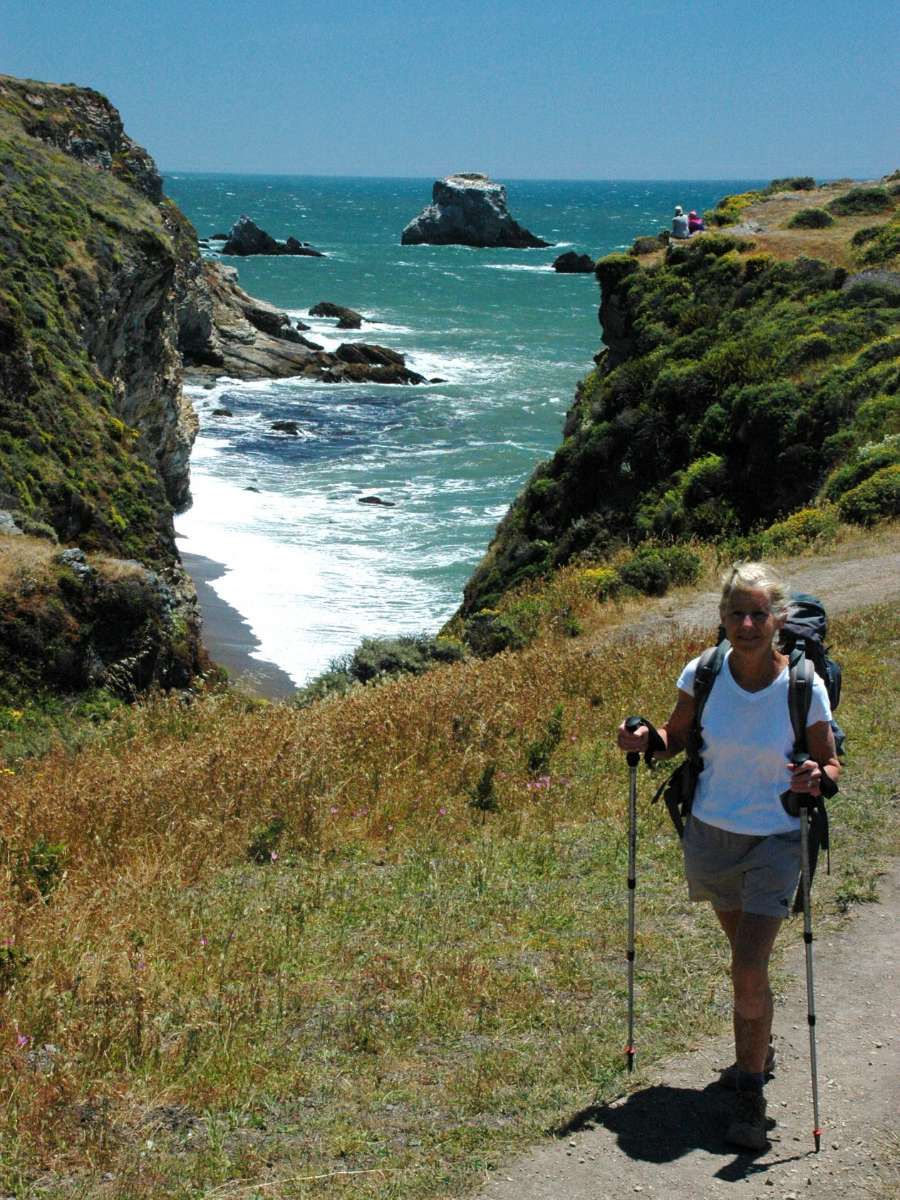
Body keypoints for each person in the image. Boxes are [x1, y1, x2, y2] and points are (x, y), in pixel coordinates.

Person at [616, 562, 840, 1151]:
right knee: (746, 960)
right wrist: (645, 740)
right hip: (710, 835)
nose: (747, 623)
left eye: (758, 613)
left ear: (779, 618)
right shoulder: (704, 671)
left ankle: (749, 1093)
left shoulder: (803, 684)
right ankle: (759, 1040)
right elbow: (678, 736)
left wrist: (818, 775)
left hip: (776, 839)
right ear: (722, 618)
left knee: (747, 965)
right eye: (737, 613)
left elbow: (830, 761)